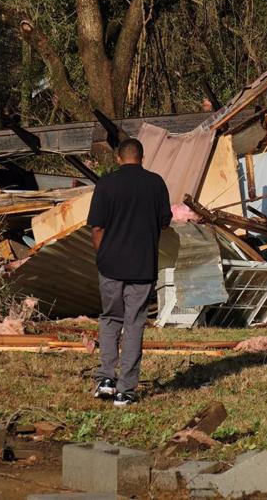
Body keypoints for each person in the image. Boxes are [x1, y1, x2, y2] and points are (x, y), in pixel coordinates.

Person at [87, 138, 171, 406]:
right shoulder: (156, 184)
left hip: (110, 266)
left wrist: (103, 256)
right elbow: (164, 223)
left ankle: (106, 379)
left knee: (111, 319)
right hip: (142, 267)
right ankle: (126, 391)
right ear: (142, 157)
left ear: (118, 158)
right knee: (134, 324)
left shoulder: (106, 184)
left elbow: (96, 228)